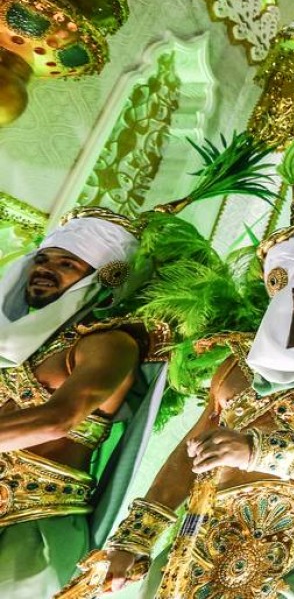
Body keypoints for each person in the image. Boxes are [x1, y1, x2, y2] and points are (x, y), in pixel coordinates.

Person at [87, 216, 294, 598]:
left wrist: (252, 451)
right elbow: (190, 454)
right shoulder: (236, 366)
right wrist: (135, 540)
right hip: (195, 543)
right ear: (290, 293)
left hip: (288, 553)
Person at [0, 207, 153, 597]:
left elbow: (59, 418)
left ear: (105, 277)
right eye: (43, 259)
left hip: (36, 524)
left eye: (68, 263)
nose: (45, 269)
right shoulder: (17, 342)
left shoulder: (109, 343)